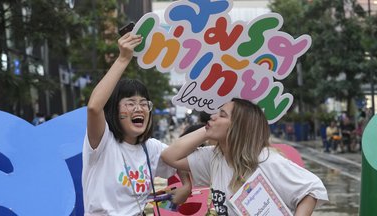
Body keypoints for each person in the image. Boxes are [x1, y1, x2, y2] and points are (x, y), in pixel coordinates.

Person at [82, 33, 191, 216]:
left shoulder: (152, 147)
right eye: (130, 103)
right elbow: (94, 108)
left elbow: (179, 158)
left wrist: (186, 186)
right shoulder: (102, 141)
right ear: (114, 110)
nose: (139, 109)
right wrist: (123, 58)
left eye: (143, 103)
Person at [161, 98, 328, 215]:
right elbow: (170, 156)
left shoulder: (265, 159)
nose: (212, 116)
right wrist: (208, 129)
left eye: (222, 114)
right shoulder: (214, 157)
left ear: (237, 127)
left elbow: (313, 188)